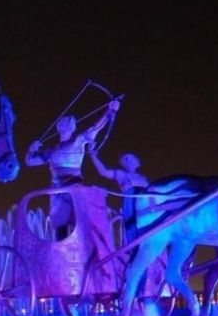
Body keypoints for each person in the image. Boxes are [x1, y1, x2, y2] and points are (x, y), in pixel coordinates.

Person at [25, 100, 120, 238]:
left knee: (80, 223)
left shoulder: (79, 140)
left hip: (75, 187)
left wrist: (109, 111)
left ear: (73, 127)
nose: (65, 123)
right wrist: (30, 150)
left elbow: (95, 129)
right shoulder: (50, 151)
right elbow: (30, 162)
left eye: (69, 122)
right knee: (60, 227)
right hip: (57, 191)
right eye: (62, 122)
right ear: (58, 127)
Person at [89, 151, 148, 244]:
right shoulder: (122, 174)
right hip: (131, 201)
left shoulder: (142, 177)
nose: (127, 160)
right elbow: (103, 172)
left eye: (129, 158)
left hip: (145, 201)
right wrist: (93, 155)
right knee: (132, 225)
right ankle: (131, 244)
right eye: (126, 159)